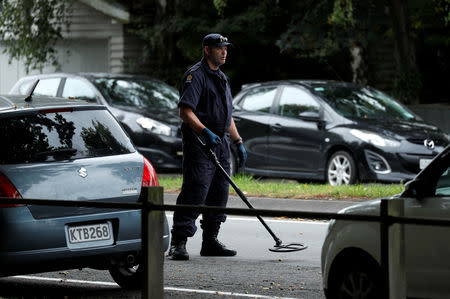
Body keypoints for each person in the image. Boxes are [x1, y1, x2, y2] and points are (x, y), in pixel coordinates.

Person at [168, 33, 247, 261]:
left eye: (225, 48)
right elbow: (185, 111)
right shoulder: (196, 76)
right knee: (196, 189)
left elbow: (227, 115)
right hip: (200, 143)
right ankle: (178, 243)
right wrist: (205, 131)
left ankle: (210, 241)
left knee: (219, 192)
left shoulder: (222, 78)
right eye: (219, 48)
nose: (224, 52)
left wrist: (238, 141)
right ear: (207, 50)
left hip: (220, 143)